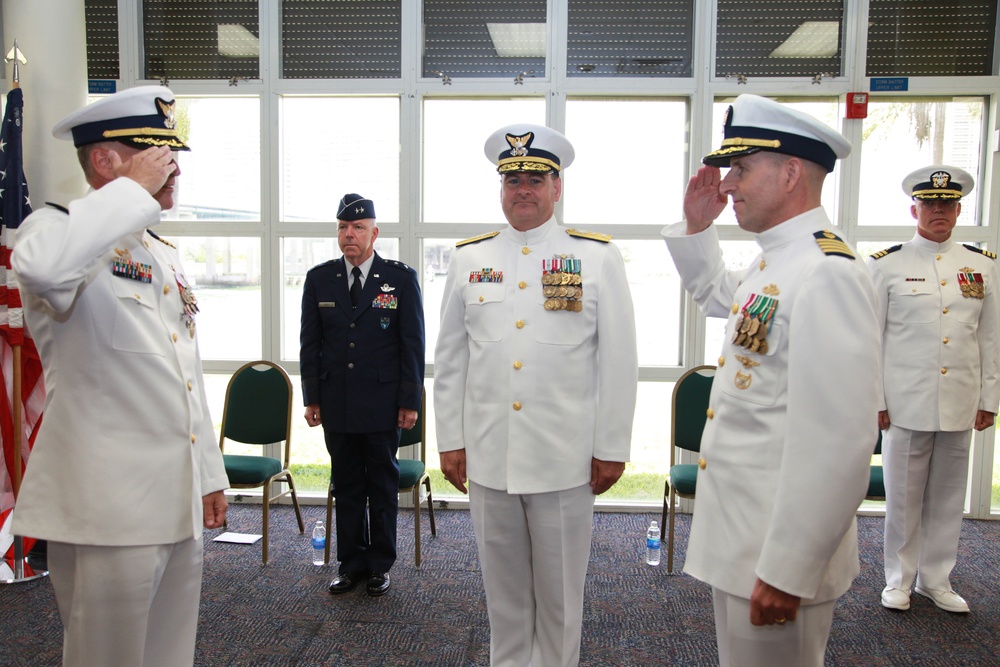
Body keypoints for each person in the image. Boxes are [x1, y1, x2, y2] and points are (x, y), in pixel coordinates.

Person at [9, 86, 229, 667]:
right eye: (155, 152)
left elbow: (184, 377)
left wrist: (207, 473)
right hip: (107, 506)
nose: (172, 166)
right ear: (104, 161)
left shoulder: (160, 253)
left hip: (173, 497)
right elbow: (42, 268)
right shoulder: (55, 231)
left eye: (172, 152)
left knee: (167, 654)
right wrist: (131, 192)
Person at [661, 94, 880, 666]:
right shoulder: (774, 262)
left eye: (741, 169)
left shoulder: (826, 273)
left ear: (789, 174)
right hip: (744, 540)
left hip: (774, 552)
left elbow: (840, 444)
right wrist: (695, 226)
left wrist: (790, 569)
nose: (728, 185)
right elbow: (715, 295)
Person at [434, 123, 638, 667]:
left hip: (563, 460)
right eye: (512, 179)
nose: (522, 188)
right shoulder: (469, 259)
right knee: (502, 600)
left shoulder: (596, 258)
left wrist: (611, 446)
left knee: (560, 600)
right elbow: (451, 360)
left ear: (557, 187)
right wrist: (450, 441)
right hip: (490, 457)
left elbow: (619, 361)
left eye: (535, 178)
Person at [867, 166, 999, 614]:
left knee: (947, 496)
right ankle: (898, 580)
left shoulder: (981, 266)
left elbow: (990, 339)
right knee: (903, 496)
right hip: (905, 401)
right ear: (915, 209)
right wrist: (876, 401)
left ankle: (936, 579)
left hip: (961, 400)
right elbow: (873, 339)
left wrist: (989, 400)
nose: (938, 211)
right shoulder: (887, 264)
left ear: (959, 210)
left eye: (947, 204)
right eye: (930, 204)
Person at [300, 193, 425, 598]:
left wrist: (410, 401)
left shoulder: (399, 278)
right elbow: (310, 344)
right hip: (337, 403)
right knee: (347, 484)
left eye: (357, 228)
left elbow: (412, 344)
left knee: (381, 485)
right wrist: (312, 397)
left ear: (375, 232)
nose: (348, 235)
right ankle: (351, 563)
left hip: (382, 402)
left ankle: (379, 565)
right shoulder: (320, 278)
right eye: (342, 228)